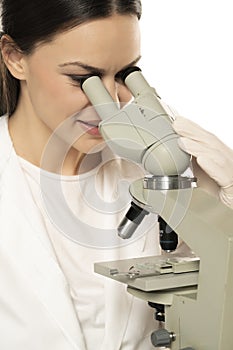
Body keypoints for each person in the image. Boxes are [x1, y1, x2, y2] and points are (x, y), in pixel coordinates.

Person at [0, 1, 232, 350]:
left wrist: (223, 209)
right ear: (15, 57)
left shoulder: (155, 170)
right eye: (83, 79)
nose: (110, 99)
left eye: (125, 75)